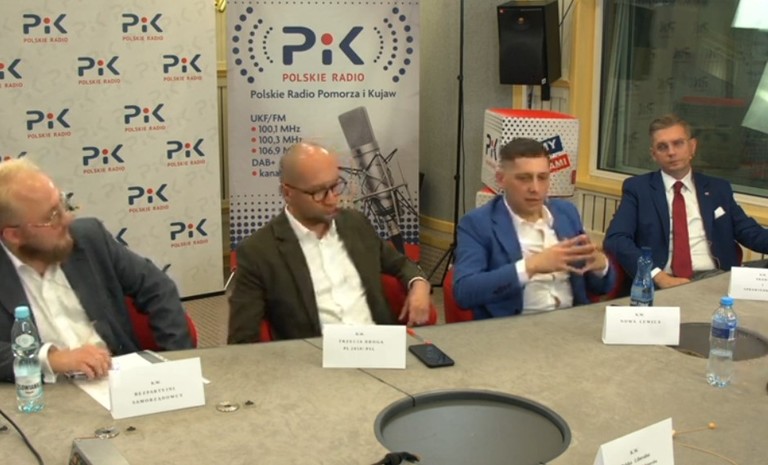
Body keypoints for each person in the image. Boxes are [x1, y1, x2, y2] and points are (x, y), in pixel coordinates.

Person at [0, 159, 193, 383]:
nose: (67, 218)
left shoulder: (89, 238)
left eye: (62, 203)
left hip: (119, 380)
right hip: (44, 393)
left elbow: (158, 289)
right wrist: (50, 359)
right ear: (14, 235)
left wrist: (176, 365)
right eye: (51, 217)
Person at [228, 142, 431, 343]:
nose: (332, 199)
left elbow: (400, 263)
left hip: (379, 345)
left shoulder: (356, 224)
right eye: (318, 192)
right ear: (288, 193)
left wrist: (419, 283)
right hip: (317, 356)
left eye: (335, 186)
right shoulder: (259, 251)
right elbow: (242, 341)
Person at [453, 138, 615, 319]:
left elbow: (601, 288)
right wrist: (532, 266)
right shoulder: (478, 224)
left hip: (572, 322)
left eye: (542, 178)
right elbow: (465, 292)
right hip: (515, 327)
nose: (535, 188)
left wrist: (600, 265)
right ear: (501, 179)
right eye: (524, 178)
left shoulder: (566, 213)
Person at [603, 114, 768, 288]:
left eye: (678, 143)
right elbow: (616, 239)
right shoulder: (638, 189)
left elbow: (751, 233)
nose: (671, 152)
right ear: (654, 155)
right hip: (662, 282)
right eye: (662, 147)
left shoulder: (718, 189)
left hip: (715, 280)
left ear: (692, 147)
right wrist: (657, 276)